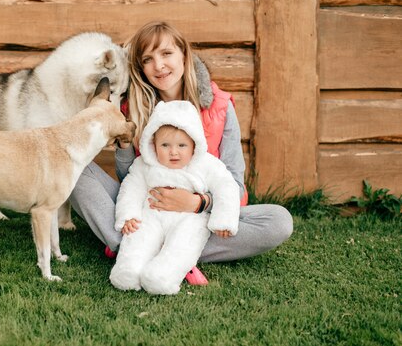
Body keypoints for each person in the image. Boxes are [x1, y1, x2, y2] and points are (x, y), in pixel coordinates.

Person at [69, 21, 293, 278]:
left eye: (166, 54)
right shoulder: (135, 108)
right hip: (147, 211)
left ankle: (148, 251)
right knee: (74, 167)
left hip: (197, 219)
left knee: (279, 221)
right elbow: (130, 179)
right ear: (141, 69)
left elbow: (235, 187)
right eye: (148, 59)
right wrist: (124, 144)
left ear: (184, 55)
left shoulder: (219, 107)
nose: (159, 65)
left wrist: (198, 203)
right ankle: (147, 248)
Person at [110, 100, 240, 295]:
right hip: (151, 215)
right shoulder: (145, 164)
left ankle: (162, 276)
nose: (173, 152)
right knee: (139, 235)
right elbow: (131, 187)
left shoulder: (206, 164)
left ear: (194, 144)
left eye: (182, 145)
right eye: (165, 145)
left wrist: (223, 220)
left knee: (183, 243)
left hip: (189, 219)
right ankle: (129, 270)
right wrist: (128, 215)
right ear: (153, 145)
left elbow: (226, 186)